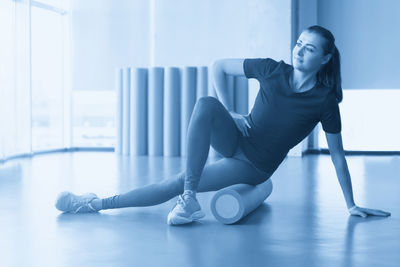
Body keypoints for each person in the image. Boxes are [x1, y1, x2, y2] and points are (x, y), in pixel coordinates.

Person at [55, 25, 391, 224]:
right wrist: (230, 111)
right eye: (299, 44)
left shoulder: (323, 100)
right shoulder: (272, 69)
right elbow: (218, 65)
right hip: (237, 139)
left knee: (175, 181)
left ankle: (93, 204)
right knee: (205, 104)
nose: (299, 52)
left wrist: (350, 204)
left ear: (325, 58)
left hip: (254, 165)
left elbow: (337, 155)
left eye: (310, 49)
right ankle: (190, 199)